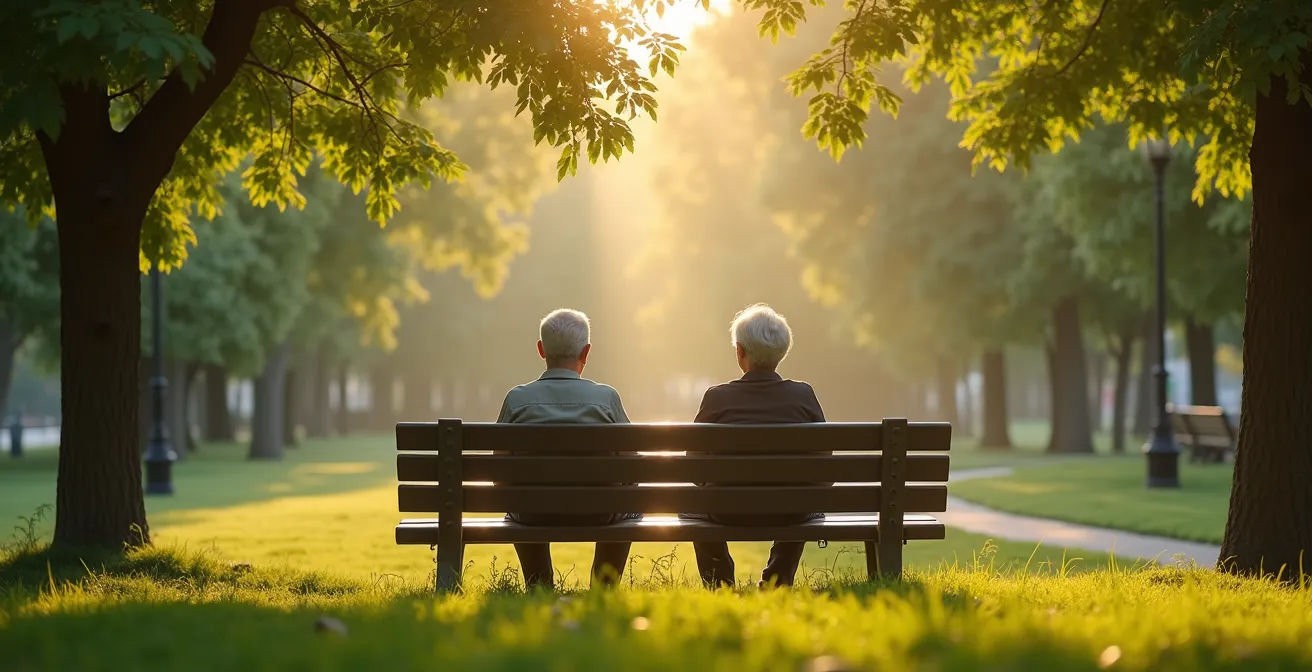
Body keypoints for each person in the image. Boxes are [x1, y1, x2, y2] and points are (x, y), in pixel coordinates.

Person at [684, 304, 827, 589]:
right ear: (782, 352)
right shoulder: (803, 395)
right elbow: (823, 468)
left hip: (726, 509)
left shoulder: (717, 398)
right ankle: (777, 578)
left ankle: (719, 580)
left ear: (739, 351)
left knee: (691, 504)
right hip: (790, 510)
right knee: (806, 499)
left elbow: (694, 466)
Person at [496, 308, 637, 590]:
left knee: (519, 501)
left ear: (540, 349)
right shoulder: (606, 398)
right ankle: (604, 586)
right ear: (586, 352)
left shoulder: (517, 399)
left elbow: (499, 471)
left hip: (532, 513)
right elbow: (633, 466)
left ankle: (539, 584)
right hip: (599, 511)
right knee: (630, 503)